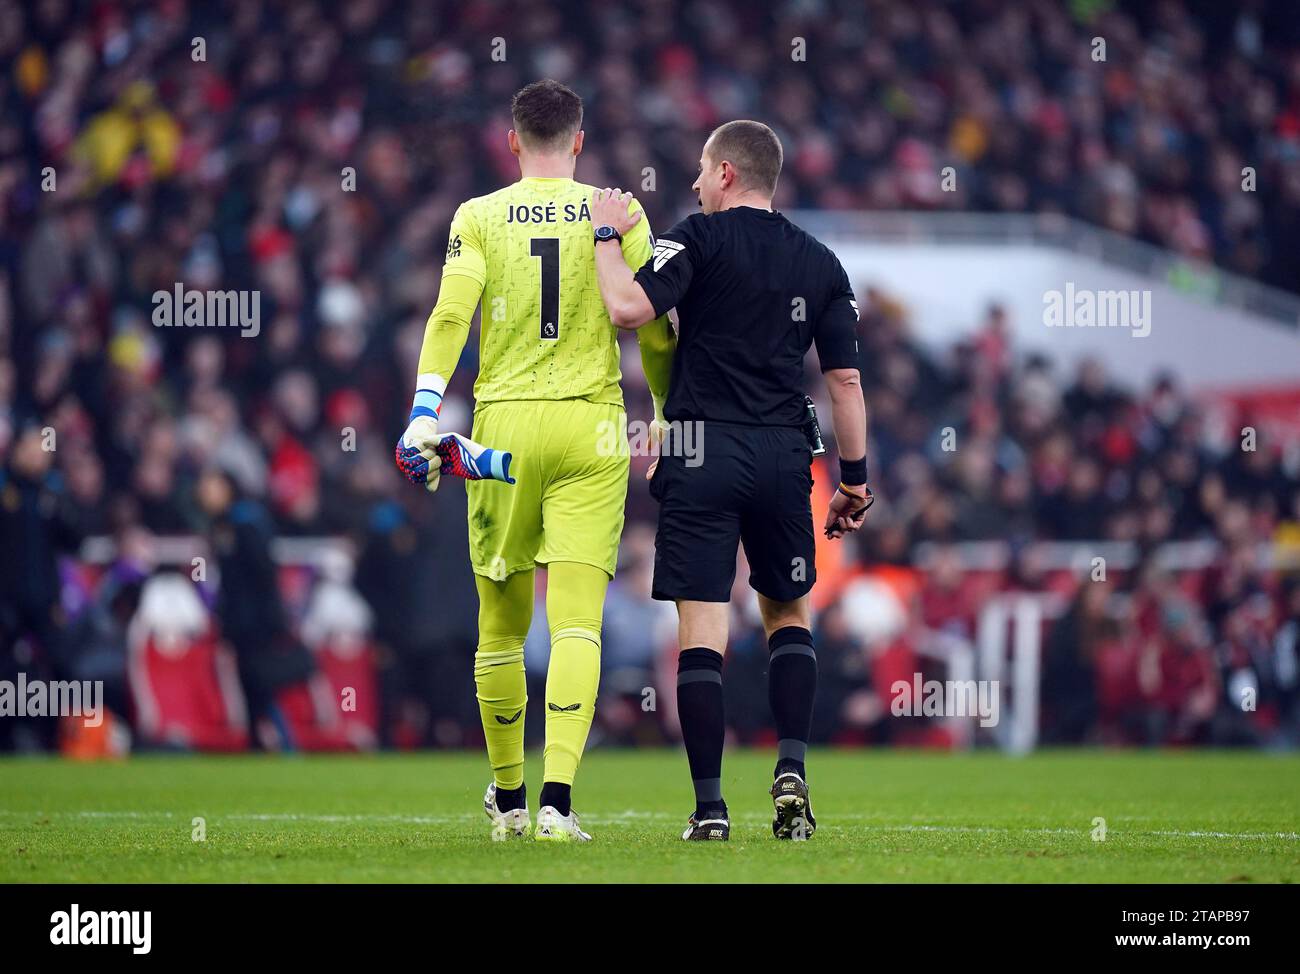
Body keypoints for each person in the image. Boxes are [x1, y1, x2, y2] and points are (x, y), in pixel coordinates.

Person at [394, 80, 675, 841]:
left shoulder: (478, 216)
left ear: (512, 141)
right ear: (579, 142)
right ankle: (558, 804)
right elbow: (653, 327)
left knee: (502, 627)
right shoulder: (620, 212)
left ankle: (510, 803)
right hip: (593, 429)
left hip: (503, 432)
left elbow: (452, 313)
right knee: (579, 621)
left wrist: (425, 410)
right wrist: (673, 415)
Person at [589, 120, 870, 840]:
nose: (691, 183)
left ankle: (711, 809)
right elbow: (843, 381)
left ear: (724, 175)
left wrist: (603, 236)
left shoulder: (700, 239)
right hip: (783, 458)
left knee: (702, 630)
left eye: (700, 170)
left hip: (703, 449)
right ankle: (793, 771)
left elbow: (626, 309)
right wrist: (854, 481)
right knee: (786, 615)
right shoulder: (822, 263)